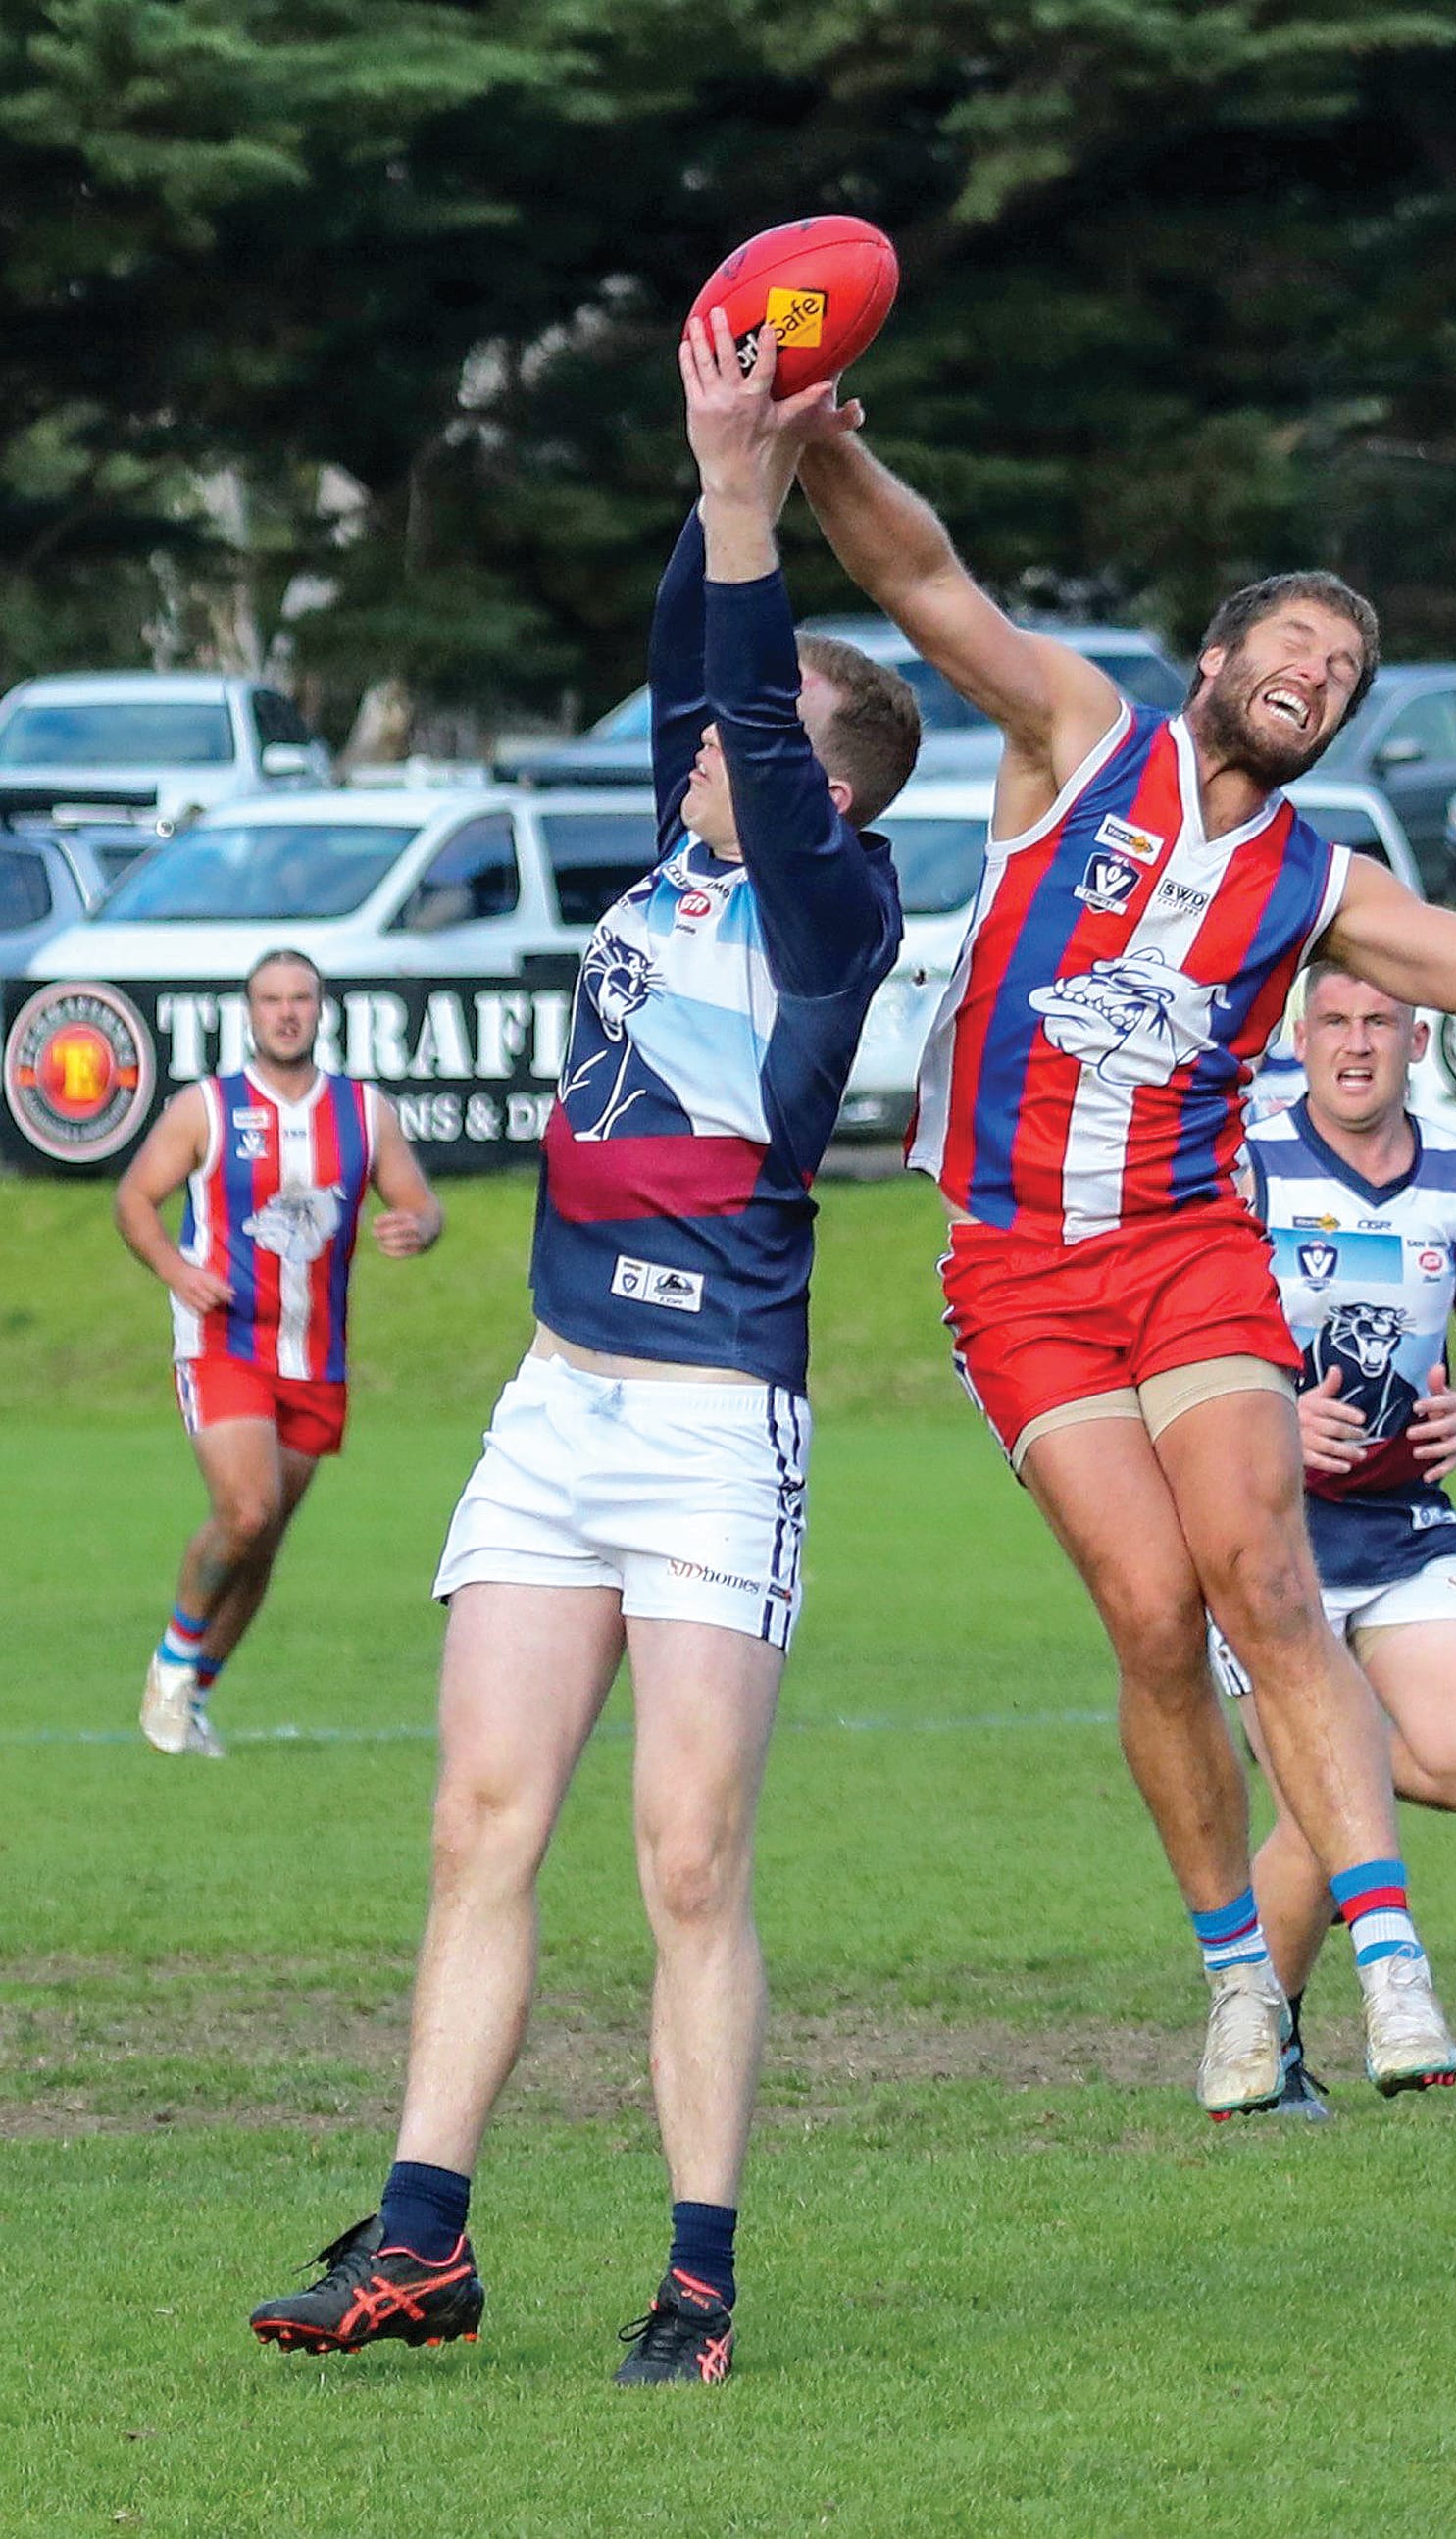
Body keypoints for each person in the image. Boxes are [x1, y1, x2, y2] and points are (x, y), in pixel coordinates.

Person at [794, 411, 1456, 2118]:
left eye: (1346, 669)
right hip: (1017, 1268)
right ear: (1217, 657)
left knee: (1261, 1569)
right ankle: (1229, 1977)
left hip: (1190, 1245)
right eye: (1295, 645)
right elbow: (920, 575)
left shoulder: (1314, 874)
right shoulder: (1075, 737)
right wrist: (817, 438)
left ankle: (1388, 1947)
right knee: (1147, 1611)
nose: (1320, 673)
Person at [246, 316, 917, 2385]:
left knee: (687, 1852)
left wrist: (751, 503)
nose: (704, 735)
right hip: (556, 1406)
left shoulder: (833, 906)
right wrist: (749, 455)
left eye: (753, 726)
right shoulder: (677, 846)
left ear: (814, 773)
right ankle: (422, 2243)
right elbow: (687, 644)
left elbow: (741, 682)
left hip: (719, 1421)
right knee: (480, 1820)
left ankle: (699, 2281)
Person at [1209, 963, 1456, 2120]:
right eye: (1334, 1022)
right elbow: (1179, 1343)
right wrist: (1265, 1411)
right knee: (1327, 1777)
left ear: (1417, 1034)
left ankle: (1312, 1755)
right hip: (1262, 1539)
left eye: (1378, 1024)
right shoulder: (1240, 1168)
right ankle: (1264, 2048)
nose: (1355, 1046)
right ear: (1300, 1035)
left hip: (1403, 1528)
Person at [114, 949, 441, 1758]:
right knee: (246, 1509)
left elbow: (419, 1200)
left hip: (316, 1356)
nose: (287, 1012)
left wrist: (418, 1227)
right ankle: (171, 1659)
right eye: (271, 1000)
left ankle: (191, 1697)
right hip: (223, 1341)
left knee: (263, 1540)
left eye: (300, 998)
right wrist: (175, 1270)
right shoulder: (208, 1109)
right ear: (249, 1012)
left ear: (320, 1009)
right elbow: (134, 1198)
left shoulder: (365, 1111)